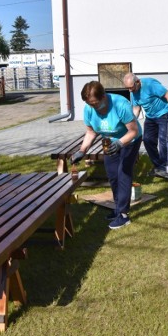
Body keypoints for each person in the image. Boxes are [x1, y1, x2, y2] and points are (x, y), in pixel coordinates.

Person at [71, 81, 142, 230]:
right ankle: (118, 207)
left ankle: (123, 215)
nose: (94, 107)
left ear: (103, 96)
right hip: (109, 142)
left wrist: (120, 143)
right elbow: (91, 132)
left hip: (129, 140)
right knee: (112, 174)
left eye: (96, 103)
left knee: (123, 172)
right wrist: (82, 151)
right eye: (90, 104)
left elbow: (133, 131)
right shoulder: (89, 110)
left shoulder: (120, 104)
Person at [123, 73, 168, 179]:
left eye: (131, 87)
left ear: (137, 82)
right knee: (147, 140)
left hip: (164, 113)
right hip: (150, 117)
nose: (130, 90)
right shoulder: (133, 91)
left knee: (163, 140)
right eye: (127, 88)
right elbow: (136, 109)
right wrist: (131, 123)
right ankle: (158, 167)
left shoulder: (150, 84)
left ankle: (165, 169)